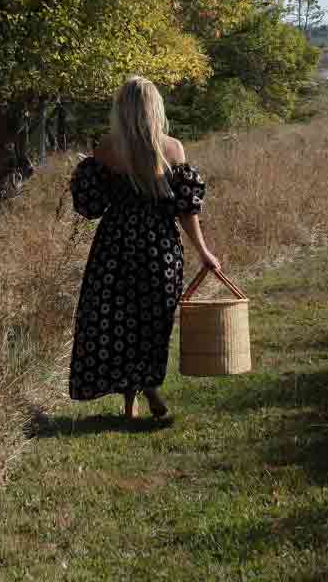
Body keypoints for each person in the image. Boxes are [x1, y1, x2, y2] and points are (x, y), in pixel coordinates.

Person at [68, 76, 221, 421]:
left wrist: (82, 177)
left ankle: (129, 399)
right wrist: (204, 251)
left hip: (115, 245)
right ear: (155, 107)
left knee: (118, 320)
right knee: (154, 320)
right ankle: (149, 386)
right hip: (159, 247)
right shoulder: (172, 148)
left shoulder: (107, 148)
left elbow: (91, 207)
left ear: (121, 109)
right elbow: (185, 210)